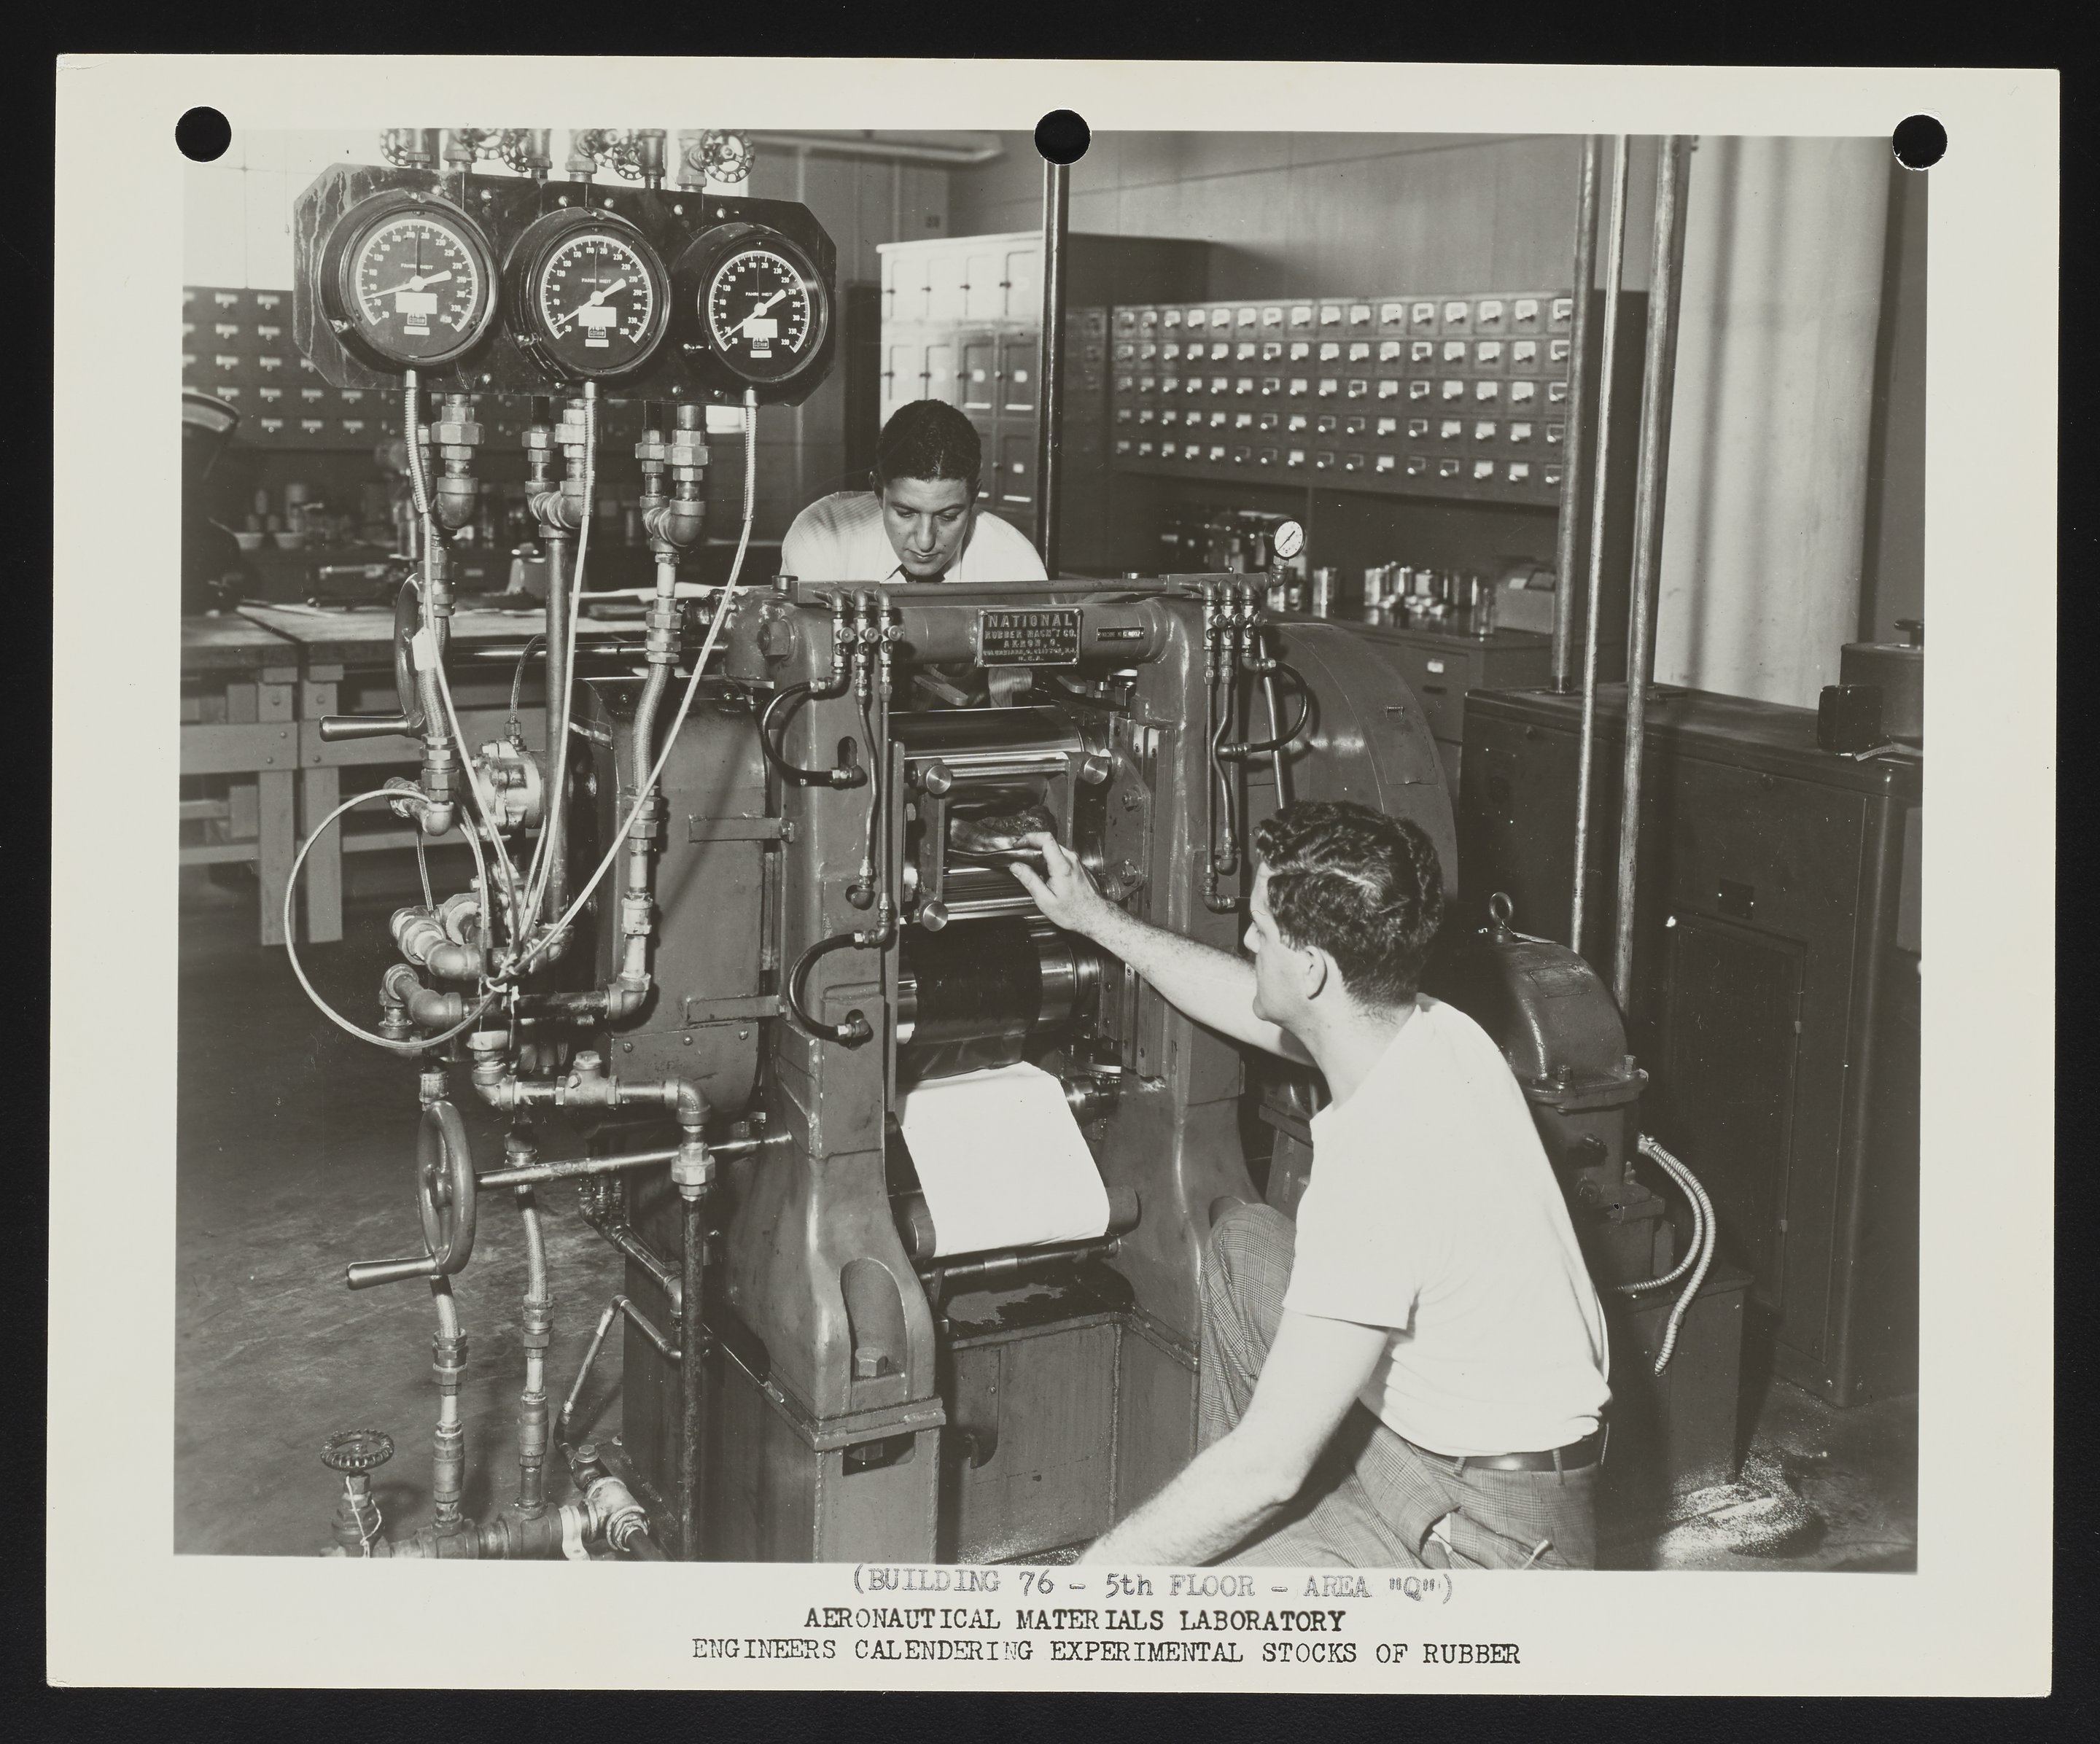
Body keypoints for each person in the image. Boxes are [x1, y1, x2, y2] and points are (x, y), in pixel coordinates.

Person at [1008, 800, 1611, 1570]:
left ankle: (1250, 1526)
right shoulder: (1433, 1028)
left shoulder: (1379, 1169)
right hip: (1430, 1448)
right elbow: (1252, 999)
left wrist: (1080, 1590)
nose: (1246, 939)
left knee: (1184, 1603)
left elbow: (1269, 1468)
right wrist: (1096, 919)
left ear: (1315, 969)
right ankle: (1264, 1518)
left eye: (1260, 929)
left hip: (1491, 1535)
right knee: (1245, 1246)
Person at [780, 399, 1048, 585]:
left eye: (948, 516)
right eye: (906, 513)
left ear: (974, 497)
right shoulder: (821, 536)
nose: (925, 541)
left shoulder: (1015, 563)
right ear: (879, 492)